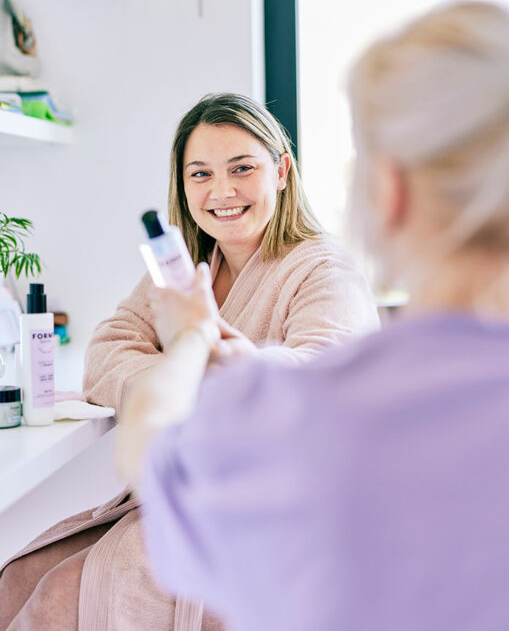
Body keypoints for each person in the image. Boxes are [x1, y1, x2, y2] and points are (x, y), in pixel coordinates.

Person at [119, 2, 509, 631]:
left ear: (387, 189)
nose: (220, 189)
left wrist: (192, 338)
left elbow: (148, 453)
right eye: (200, 173)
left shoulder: (300, 415)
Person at [0, 94, 378, 631]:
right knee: (16, 580)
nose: (221, 191)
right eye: (200, 174)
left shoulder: (325, 270)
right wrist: (184, 382)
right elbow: (107, 351)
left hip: (277, 512)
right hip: (184, 498)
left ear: (282, 171)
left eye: (241, 168)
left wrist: (189, 370)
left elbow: (317, 384)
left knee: (59, 598)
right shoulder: (188, 270)